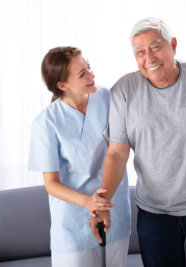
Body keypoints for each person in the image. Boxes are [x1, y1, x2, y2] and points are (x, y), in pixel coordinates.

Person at [90, 17, 186, 267]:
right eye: (140, 52)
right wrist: (104, 201)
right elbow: (117, 154)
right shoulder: (124, 90)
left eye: (155, 47)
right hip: (155, 214)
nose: (149, 58)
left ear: (173, 45)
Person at [28, 46, 130, 267]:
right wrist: (89, 203)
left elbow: (121, 150)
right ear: (62, 85)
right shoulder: (46, 123)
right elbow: (51, 184)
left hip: (114, 214)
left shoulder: (107, 98)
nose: (92, 76)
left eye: (89, 67)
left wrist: (102, 205)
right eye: (82, 74)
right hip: (72, 224)